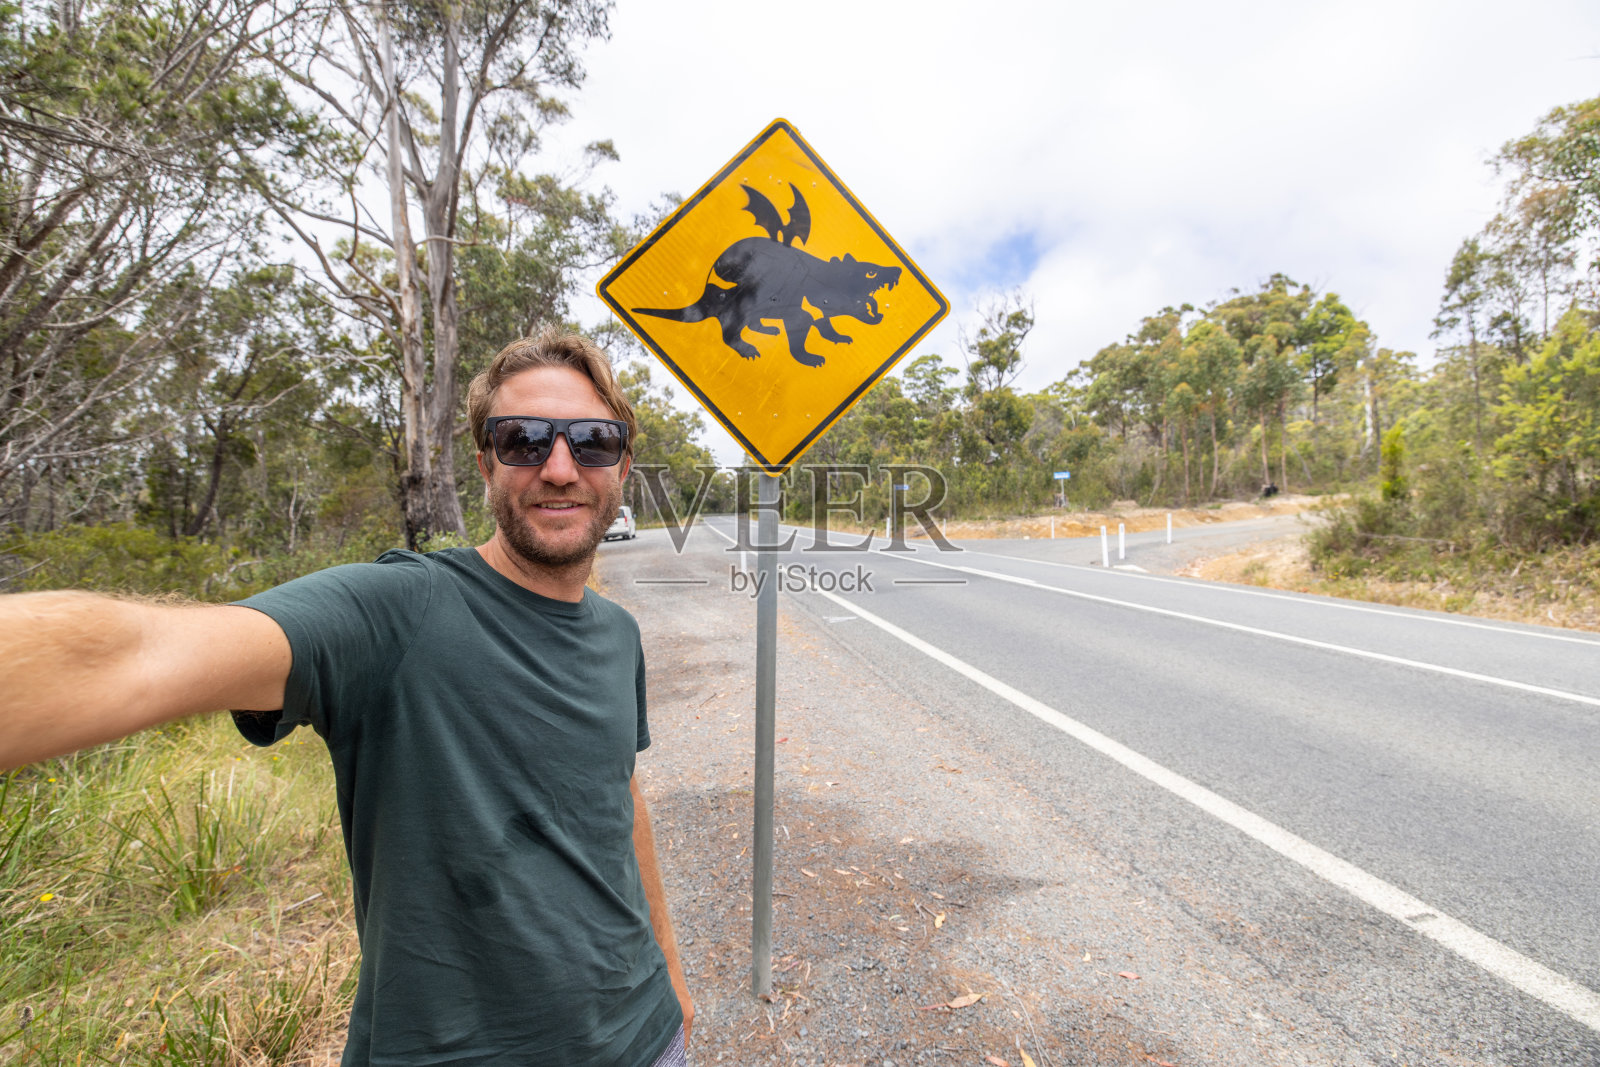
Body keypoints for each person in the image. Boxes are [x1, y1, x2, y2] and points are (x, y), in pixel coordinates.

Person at [0, 329, 694, 1066]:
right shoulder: (399, 609)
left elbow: (619, 795)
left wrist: (673, 974)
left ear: (621, 460)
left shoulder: (617, 633)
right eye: (522, 438)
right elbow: (133, 653)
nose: (560, 467)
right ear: (485, 458)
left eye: (591, 440)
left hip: (645, 1037)